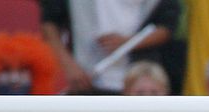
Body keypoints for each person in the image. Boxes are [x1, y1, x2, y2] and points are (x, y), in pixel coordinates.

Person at [39, 0, 181, 93]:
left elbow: (167, 25)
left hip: (138, 85)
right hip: (86, 83)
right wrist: (69, 66)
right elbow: (49, 22)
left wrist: (128, 42)